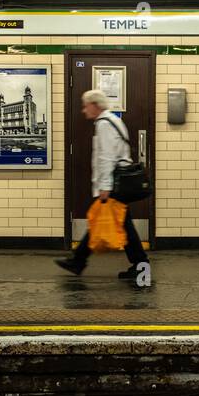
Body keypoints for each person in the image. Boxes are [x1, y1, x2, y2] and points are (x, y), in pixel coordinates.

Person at [55, 89, 149, 283]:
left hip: (113, 184)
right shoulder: (113, 120)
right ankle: (79, 261)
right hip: (116, 182)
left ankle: (79, 261)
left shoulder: (105, 124)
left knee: (113, 223)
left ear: (95, 105)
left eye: (86, 105)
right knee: (115, 223)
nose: (83, 110)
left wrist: (105, 187)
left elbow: (106, 157)